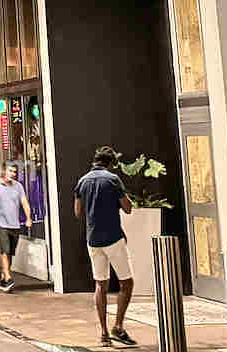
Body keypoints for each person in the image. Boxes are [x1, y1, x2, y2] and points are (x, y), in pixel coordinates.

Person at [75, 146, 137, 347]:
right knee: (126, 283)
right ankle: (118, 326)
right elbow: (128, 208)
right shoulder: (112, 179)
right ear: (111, 163)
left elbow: (78, 212)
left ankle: (103, 333)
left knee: (100, 284)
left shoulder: (83, 181)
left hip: (93, 240)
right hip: (113, 238)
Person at [0, 162, 33, 292]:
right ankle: (8, 277)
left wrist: (28, 218)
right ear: (4, 171)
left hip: (14, 225)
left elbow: (24, 203)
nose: (13, 174)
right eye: (10, 171)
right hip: (1, 224)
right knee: (4, 251)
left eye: (14, 172)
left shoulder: (18, 186)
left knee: (10, 253)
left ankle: (4, 278)